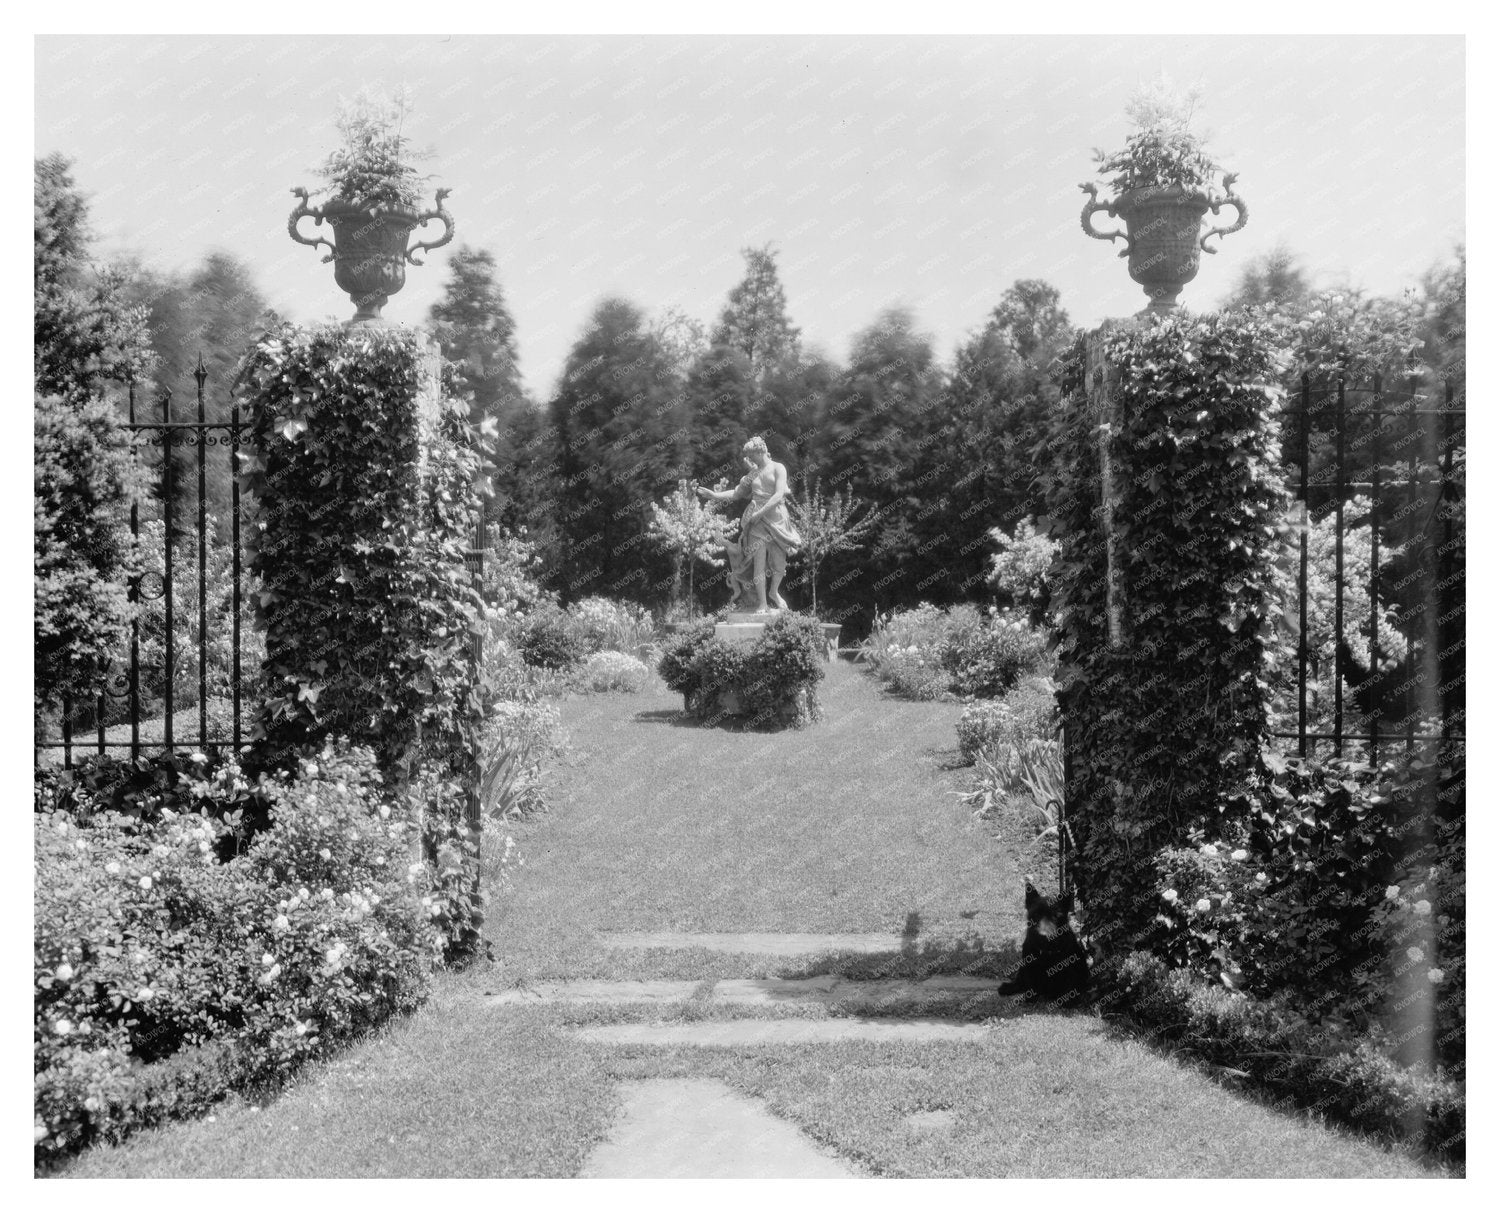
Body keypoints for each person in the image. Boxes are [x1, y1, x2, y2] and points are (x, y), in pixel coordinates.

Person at [698, 437, 801, 613]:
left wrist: (760, 514)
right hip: (755, 524)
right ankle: (762, 603)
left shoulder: (778, 468)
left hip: (776, 519)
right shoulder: (752, 474)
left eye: (752, 455)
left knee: (779, 564)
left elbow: (777, 495)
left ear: (761, 451)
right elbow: (737, 493)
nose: (750, 459)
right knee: (758, 563)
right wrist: (715, 496)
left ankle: (774, 592)